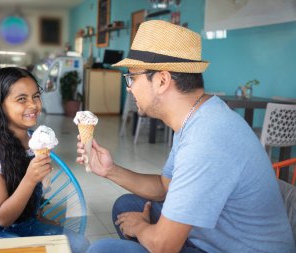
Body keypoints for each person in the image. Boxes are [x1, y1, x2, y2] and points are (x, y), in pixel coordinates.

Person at [76, 20, 295, 253]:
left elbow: (164, 246)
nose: (129, 88)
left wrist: (141, 228)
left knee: (102, 250)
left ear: (162, 80)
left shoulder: (207, 138)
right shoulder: (199, 115)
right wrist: (110, 170)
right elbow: (165, 187)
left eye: (132, 78)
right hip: (209, 234)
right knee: (125, 206)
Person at [0, 67, 89, 253]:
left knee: (81, 244)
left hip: (28, 223)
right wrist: (30, 178)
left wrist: (40, 217)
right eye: (21, 99)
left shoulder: (37, 142)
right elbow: (2, 217)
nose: (33, 105)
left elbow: (35, 192)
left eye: (35, 96)